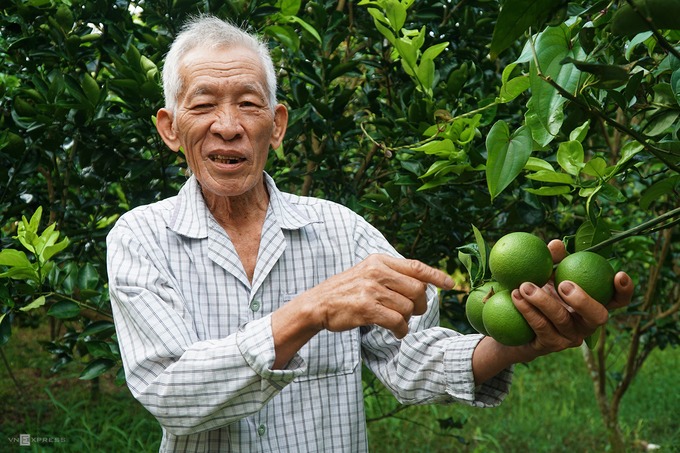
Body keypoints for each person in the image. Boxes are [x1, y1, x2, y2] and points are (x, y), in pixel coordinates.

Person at [106, 14, 634, 452]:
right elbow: (169, 393)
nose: (228, 125)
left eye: (248, 103)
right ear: (171, 127)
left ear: (278, 123)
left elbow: (411, 357)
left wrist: (519, 343)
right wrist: (308, 311)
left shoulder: (343, 231)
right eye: (202, 105)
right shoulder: (140, 238)